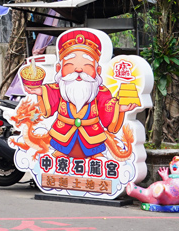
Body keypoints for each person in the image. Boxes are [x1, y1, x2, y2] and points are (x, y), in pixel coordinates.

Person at [20, 29, 138, 159]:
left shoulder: (100, 91)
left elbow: (107, 106)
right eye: (70, 65)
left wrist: (119, 108)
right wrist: (40, 91)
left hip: (92, 137)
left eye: (87, 66)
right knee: (58, 161)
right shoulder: (58, 88)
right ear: (59, 69)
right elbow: (50, 97)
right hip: (62, 136)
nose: (78, 69)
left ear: (97, 70)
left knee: (97, 160)